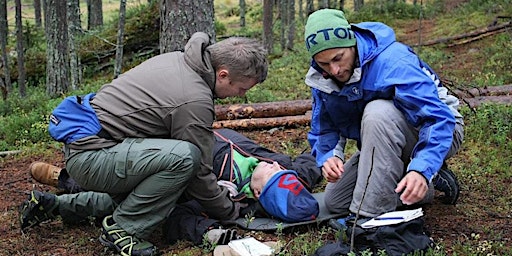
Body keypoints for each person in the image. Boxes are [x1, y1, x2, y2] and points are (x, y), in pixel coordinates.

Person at [19, 32, 268, 256]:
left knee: (150, 199)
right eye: (241, 88)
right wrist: (230, 211)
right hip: (94, 157)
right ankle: (122, 230)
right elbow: (198, 174)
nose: (241, 96)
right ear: (223, 75)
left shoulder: (179, 60)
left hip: (95, 148)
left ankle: (56, 206)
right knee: (184, 159)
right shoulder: (194, 100)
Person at [22, 128, 323, 246]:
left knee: (112, 202)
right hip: (166, 144)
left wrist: (209, 234)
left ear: (257, 194)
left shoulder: (230, 200)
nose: (276, 167)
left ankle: (59, 192)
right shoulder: (284, 166)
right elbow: (307, 165)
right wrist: (323, 160)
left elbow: (181, 218)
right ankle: (64, 178)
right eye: (284, 171)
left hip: (163, 181)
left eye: (273, 174)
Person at [303, 9, 464, 220]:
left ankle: (369, 218)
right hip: (385, 139)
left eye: (338, 58)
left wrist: (422, 167)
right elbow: (324, 127)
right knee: (336, 201)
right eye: (324, 63)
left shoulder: (393, 62)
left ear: (352, 43)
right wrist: (329, 156)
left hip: (442, 130)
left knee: (378, 112)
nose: (334, 70)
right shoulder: (323, 77)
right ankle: (427, 183)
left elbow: (437, 119)